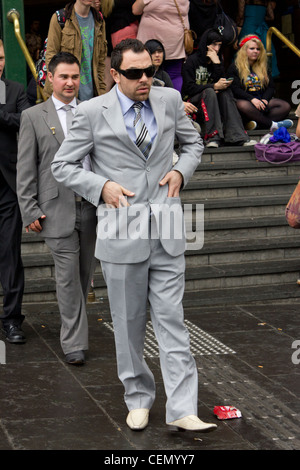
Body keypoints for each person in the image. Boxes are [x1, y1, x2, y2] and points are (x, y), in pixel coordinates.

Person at [51, 38, 217, 433]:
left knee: (172, 320)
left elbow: (193, 142)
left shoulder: (169, 100)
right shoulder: (92, 112)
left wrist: (181, 172)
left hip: (167, 227)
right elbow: (63, 164)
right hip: (121, 228)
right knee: (127, 322)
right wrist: (101, 186)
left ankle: (181, 408)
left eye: (149, 71)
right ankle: (138, 397)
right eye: (134, 73)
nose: (145, 79)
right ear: (114, 74)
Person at [17, 52, 97, 365]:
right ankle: (74, 341)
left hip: (91, 207)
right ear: (50, 78)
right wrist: (29, 209)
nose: (69, 82)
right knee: (67, 277)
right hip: (55, 207)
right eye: (63, 76)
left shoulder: (92, 112)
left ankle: (76, 328)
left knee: (83, 274)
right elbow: (26, 169)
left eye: (75, 77)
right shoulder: (34, 116)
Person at [0, 39, 30, 343]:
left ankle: (11, 319)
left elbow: (27, 120)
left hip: (8, 187)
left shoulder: (14, 91)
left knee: (10, 254)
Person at [182, 28, 256, 147]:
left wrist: (216, 63)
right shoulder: (192, 61)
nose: (216, 49)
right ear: (205, 44)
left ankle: (237, 136)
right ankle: (212, 137)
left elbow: (220, 81)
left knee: (225, 91)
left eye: (219, 45)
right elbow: (188, 88)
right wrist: (213, 86)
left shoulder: (217, 58)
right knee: (210, 91)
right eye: (213, 44)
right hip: (194, 102)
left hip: (213, 100)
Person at [44, 0, 107, 100]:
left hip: (93, 95)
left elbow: (100, 61)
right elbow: (51, 55)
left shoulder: (99, 19)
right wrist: (55, 91)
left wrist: (102, 91)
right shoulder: (60, 18)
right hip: (65, 94)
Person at [227, 34, 292, 131]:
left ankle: (257, 124)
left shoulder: (263, 66)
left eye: (258, 49)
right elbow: (235, 89)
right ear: (244, 50)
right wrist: (252, 99)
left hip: (261, 101)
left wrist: (265, 99)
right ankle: (272, 125)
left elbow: (271, 87)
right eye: (252, 48)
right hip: (246, 102)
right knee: (241, 105)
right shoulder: (234, 67)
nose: (255, 51)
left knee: (285, 106)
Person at [133, 0, 190, 92]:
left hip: (152, 43)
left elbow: (135, 10)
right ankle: (175, 102)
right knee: (174, 74)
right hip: (175, 42)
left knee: (146, 73)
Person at [236, 0, 279, 77]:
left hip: (248, 26)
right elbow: (271, 17)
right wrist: (260, 17)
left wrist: (238, 28)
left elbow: (240, 15)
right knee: (267, 51)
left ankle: (248, 77)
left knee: (244, 52)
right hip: (262, 29)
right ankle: (267, 77)